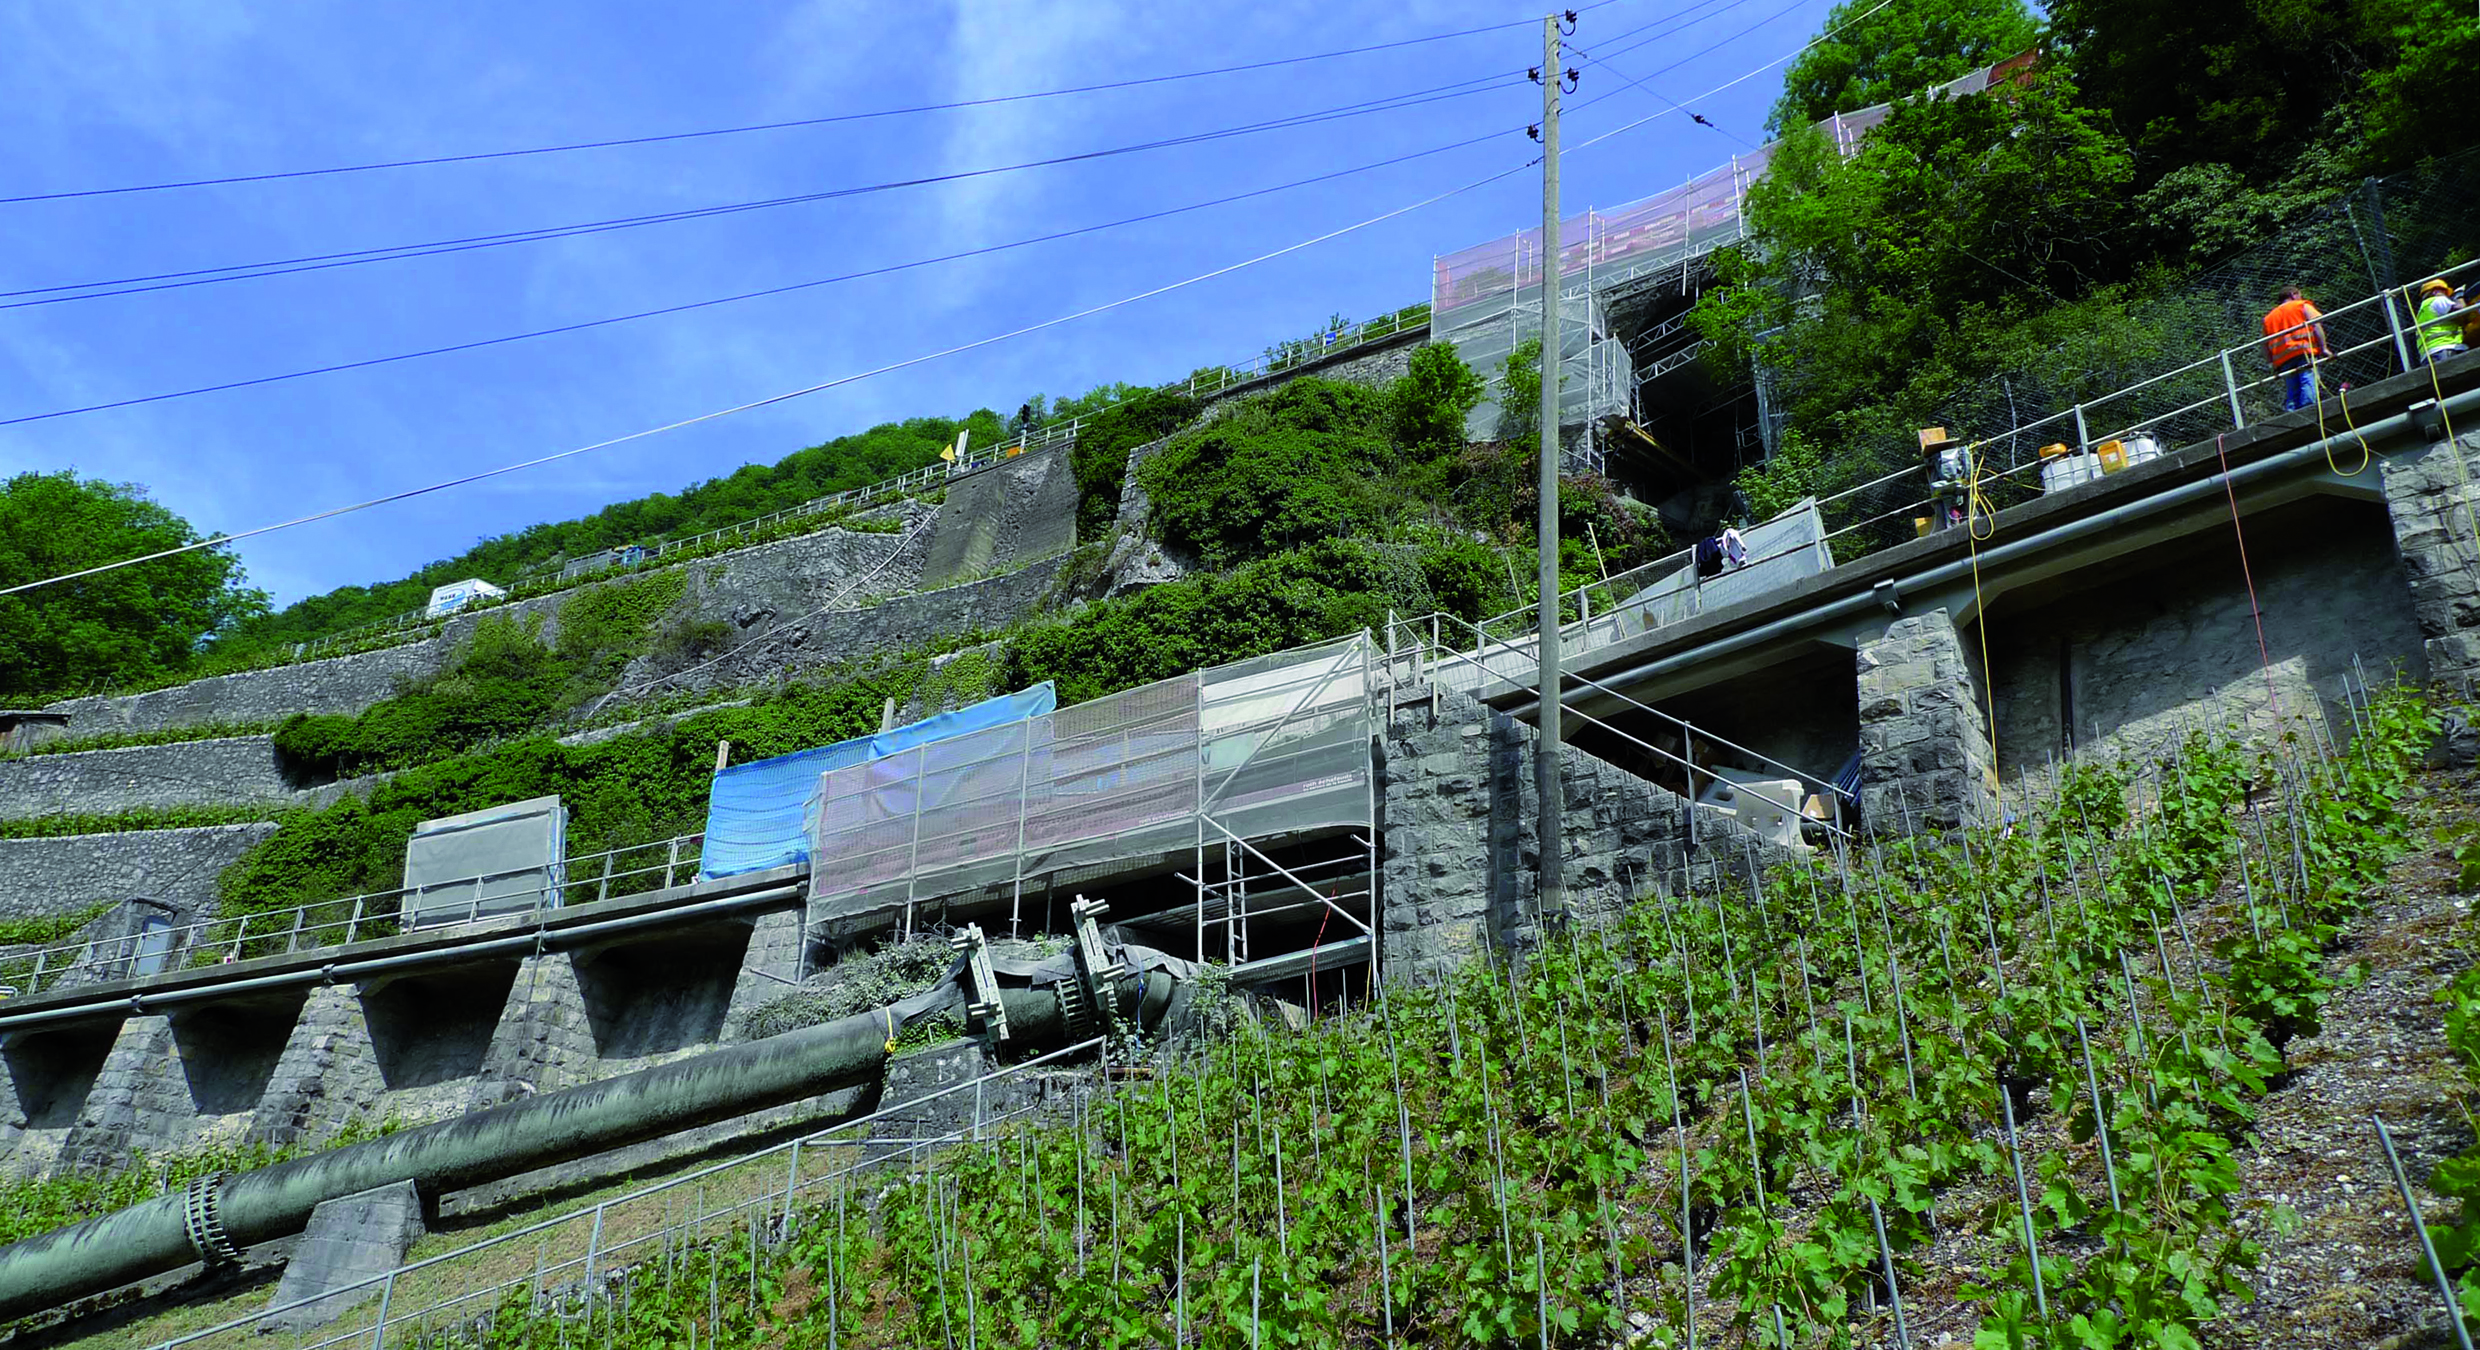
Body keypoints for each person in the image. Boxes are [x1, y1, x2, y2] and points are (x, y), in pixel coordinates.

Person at [2263, 286, 2330, 412]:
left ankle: (2292, 415)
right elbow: (2316, 325)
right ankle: (2308, 410)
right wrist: (2324, 348)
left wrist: (2270, 363)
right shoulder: (2302, 306)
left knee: (2292, 389)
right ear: (2293, 294)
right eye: (2299, 295)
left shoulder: (2268, 318)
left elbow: (2265, 344)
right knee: (2308, 380)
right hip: (2303, 351)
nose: (2301, 297)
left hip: (2282, 358)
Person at [2414, 277, 2468, 365]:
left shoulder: (2423, 308)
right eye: (2446, 293)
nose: (2447, 296)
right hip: (2444, 349)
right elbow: (2461, 310)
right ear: (2436, 291)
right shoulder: (2438, 300)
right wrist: (2459, 295)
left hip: (2430, 354)